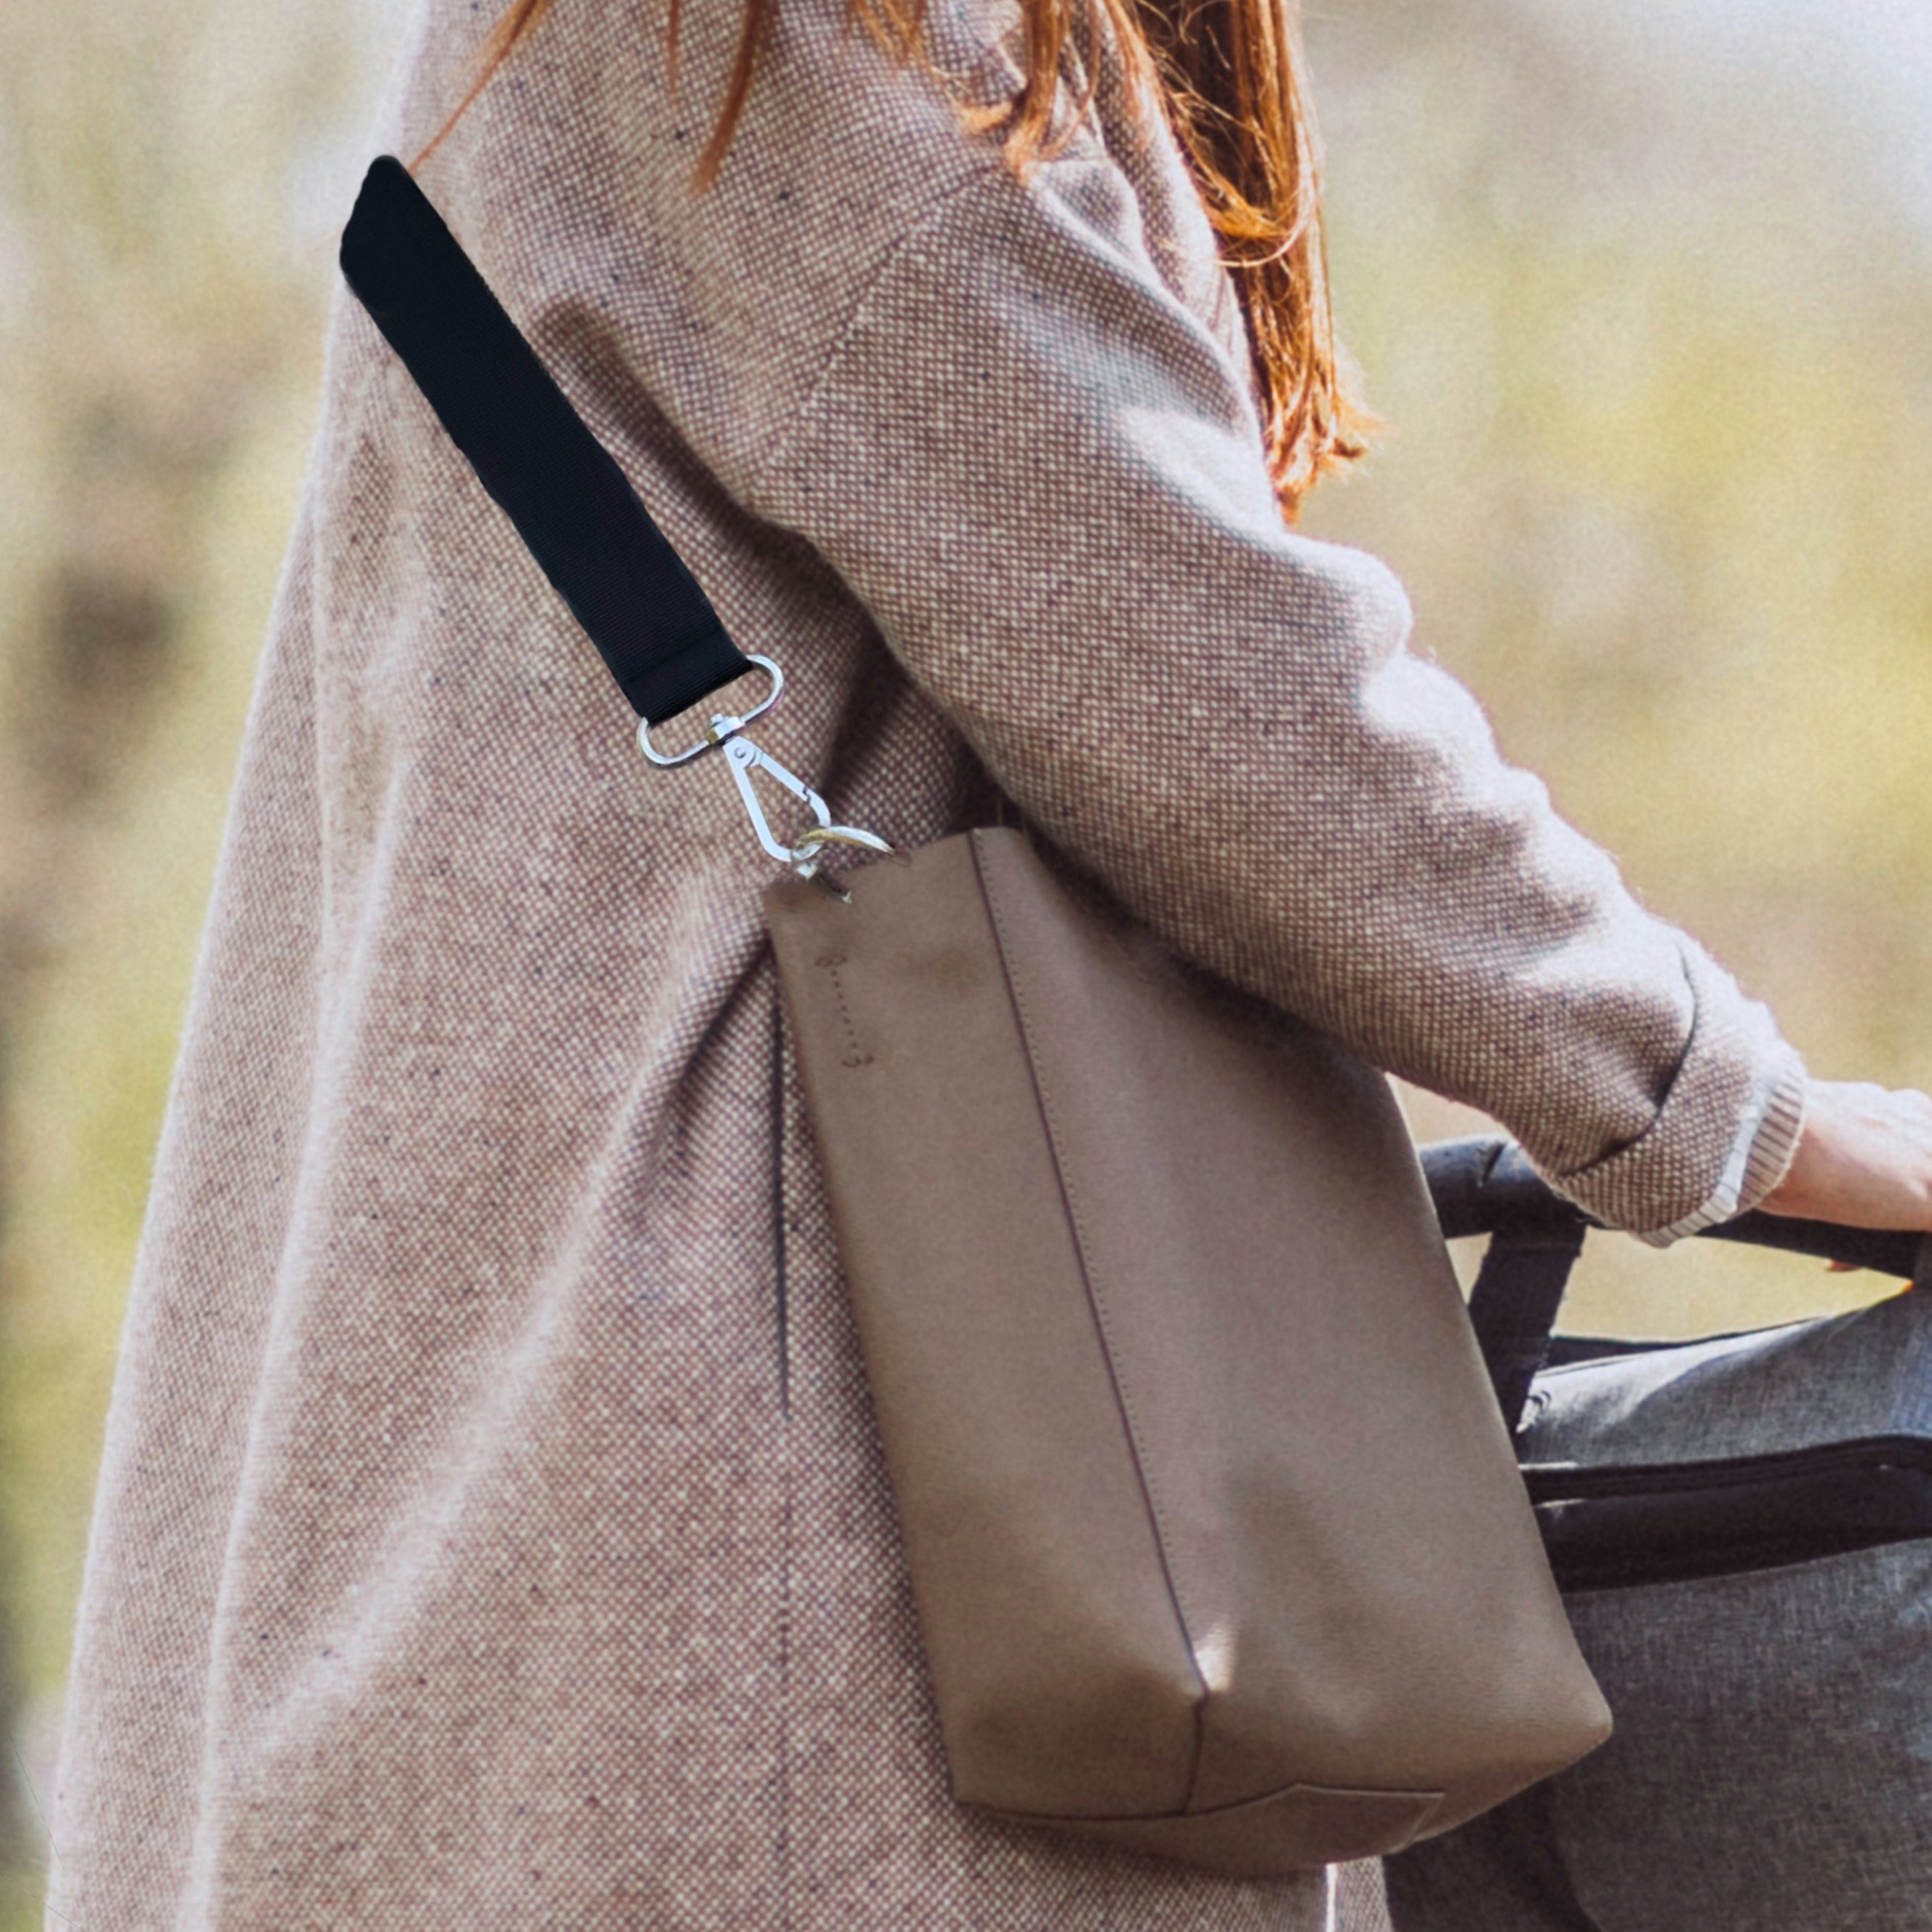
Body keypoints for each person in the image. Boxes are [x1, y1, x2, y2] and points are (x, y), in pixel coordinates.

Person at [42, 0, 1932, 1925]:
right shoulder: (782, 43)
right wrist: (1743, 1109)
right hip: (783, 1583)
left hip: (553, 1539)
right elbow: (1228, 702)